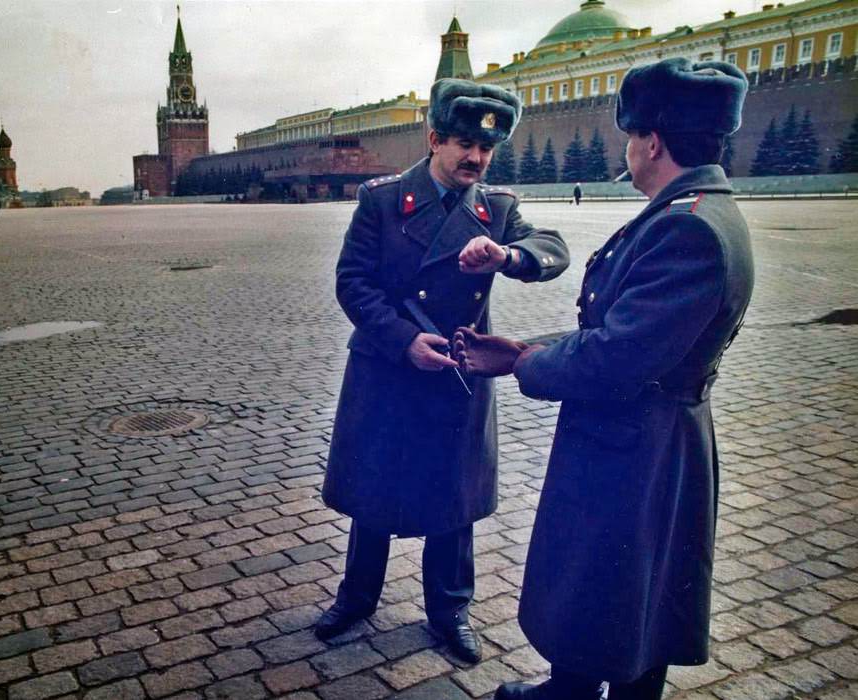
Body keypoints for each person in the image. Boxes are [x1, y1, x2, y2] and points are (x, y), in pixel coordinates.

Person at [453, 57, 753, 699]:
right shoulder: (693, 210)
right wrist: (526, 345)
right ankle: (576, 682)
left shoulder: (687, 229)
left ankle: (584, 691)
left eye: (631, 136)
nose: (629, 148)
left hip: (638, 441)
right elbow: (623, 336)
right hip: (644, 429)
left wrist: (520, 361)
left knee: (625, 580)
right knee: (619, 581)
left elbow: (614, 358)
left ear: (651, 140)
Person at [318, 78, 570, 663]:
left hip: (458, 373)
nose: (476, 158)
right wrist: (404, 340)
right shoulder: (382, 200)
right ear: (434, 139)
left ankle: (449, 608)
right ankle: (356, 597)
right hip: (388, 367)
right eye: (463, 144)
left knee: (454, 498)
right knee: (375, 488)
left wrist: (508, 255)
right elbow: (352, 283)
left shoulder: (497, 209)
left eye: (486, 149)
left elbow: (553, 249)